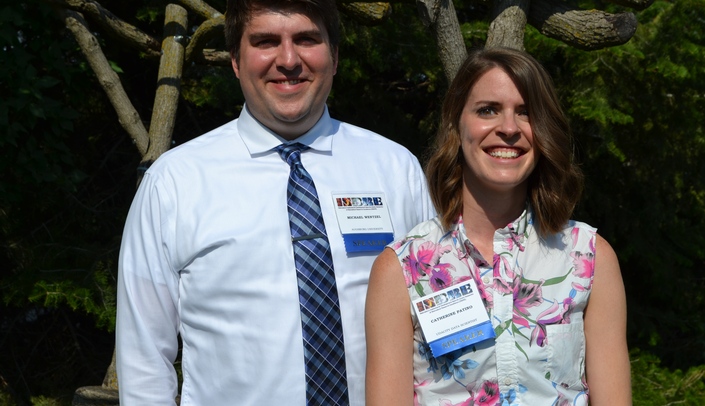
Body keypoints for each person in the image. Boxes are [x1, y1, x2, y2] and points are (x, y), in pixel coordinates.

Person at [115, 0, 434, 404]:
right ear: (235, 60)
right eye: (266, 41)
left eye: (306, 39)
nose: (288, 60)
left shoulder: (396, 170)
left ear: (334, 56)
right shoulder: (174, 182)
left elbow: (435, 320)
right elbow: (144, 356)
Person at [365, 47, 631, 406]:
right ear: (456, 125)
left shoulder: (590, 257)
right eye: (488, 110)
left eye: (526, 113)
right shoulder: (401, 269)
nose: (508, 129)